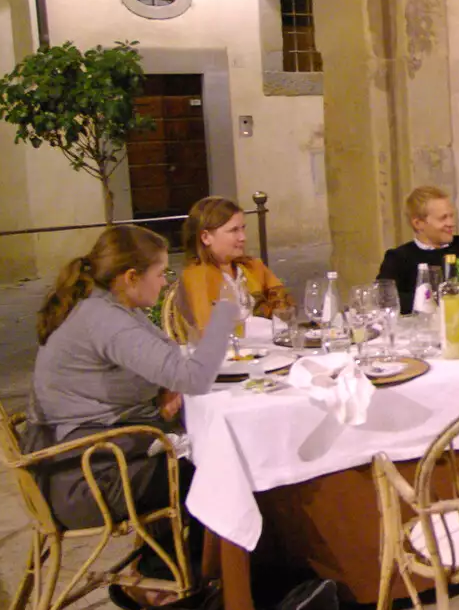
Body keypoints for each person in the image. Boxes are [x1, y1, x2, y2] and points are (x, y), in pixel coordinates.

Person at [30, 225, 236, 532]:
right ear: (131, 277)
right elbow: (194, 379)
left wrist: (161, 388)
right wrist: (227, 311)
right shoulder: (106, 319)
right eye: (160, 273)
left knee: (208, 459)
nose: (165, 283)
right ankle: (207, 572)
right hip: (85, 481)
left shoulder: (104, 305)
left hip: (82, 463)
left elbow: (162, 364)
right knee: (222, 474)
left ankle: (172, 564)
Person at [376, 185, 459, 313]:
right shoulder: (398, 258)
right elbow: (384, 300)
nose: (451, 223)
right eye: (443, 218)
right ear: (418, 223)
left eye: (451, 216)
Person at [177, 196, 293, 337]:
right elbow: (209, 332)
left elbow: (285, 310)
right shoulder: (197, 277)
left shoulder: (252, 267)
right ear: (206, 237)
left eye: (243, 228)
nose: (243, 237)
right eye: (234, 230)